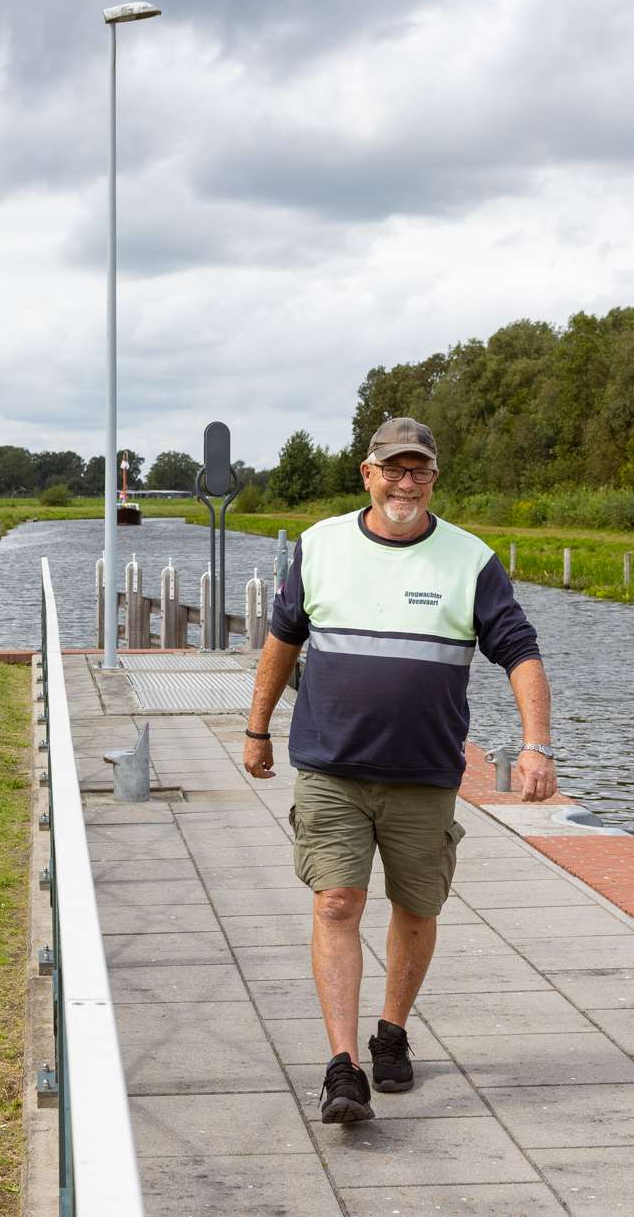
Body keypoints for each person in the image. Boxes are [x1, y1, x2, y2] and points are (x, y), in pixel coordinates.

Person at [242, 416, 557, 1125]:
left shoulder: (470, 560)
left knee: (417, 909)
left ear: (434, 479)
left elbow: (520, 652)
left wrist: (536, 744)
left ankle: (391, 1032)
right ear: (368, 474)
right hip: (332, 767)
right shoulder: (319, 546)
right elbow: (281, 642)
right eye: (393, 469)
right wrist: (256, 728)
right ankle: (343, 1065)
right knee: (336, 903)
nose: (405, 482)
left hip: (424, 774)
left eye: (419, 471)